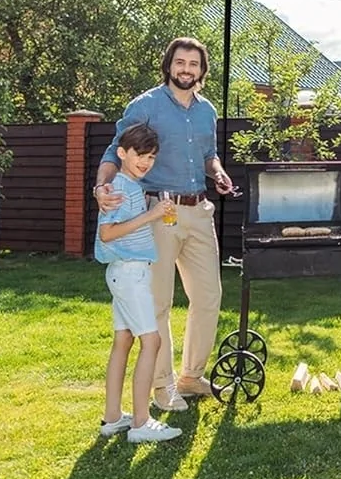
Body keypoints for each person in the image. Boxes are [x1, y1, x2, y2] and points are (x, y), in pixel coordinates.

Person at [94, 37, 235, 412]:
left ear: (202, 70)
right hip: (160, 210)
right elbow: (114, 151)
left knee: (208, 296)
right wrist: (101, 186)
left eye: (194, 64)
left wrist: (219, 172)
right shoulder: (145, 105)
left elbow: (209, 155)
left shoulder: (207, 111)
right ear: (169, 65)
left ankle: (191, 376)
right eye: (180, 62)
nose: (186, 69)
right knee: (159, 301)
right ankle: (162, 385)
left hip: (199, 210)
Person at [95, 122, 181, 444]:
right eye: (139, 155)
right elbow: (107, 233)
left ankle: (113, 417)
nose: (146, 162)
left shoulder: (130, 185)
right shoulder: (121, 188)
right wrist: (151, 215)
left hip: (126, 273)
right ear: (121, 153)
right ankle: (141, 422)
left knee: (123, 341)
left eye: (151, 156)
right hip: (129, 275)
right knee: (152, 341)